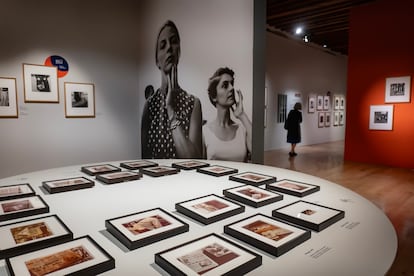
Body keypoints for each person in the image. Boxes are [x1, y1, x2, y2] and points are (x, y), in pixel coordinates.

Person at [141, 20, 202, 159]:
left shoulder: (193, 104)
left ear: (179, 50)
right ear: (157, 60)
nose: (169, 47)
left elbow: (193, 160)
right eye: (163, 45)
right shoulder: (149, 107)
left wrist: (171, 110)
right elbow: (144, 159)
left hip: (185, 180)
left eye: (173, 41)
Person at [203, 67, 252, 162]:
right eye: (225, 85)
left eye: (232, 84)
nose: (231, 88)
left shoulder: (242, 130)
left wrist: (242, 115)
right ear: (214, 96)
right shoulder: (205, 132)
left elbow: (256, 151)